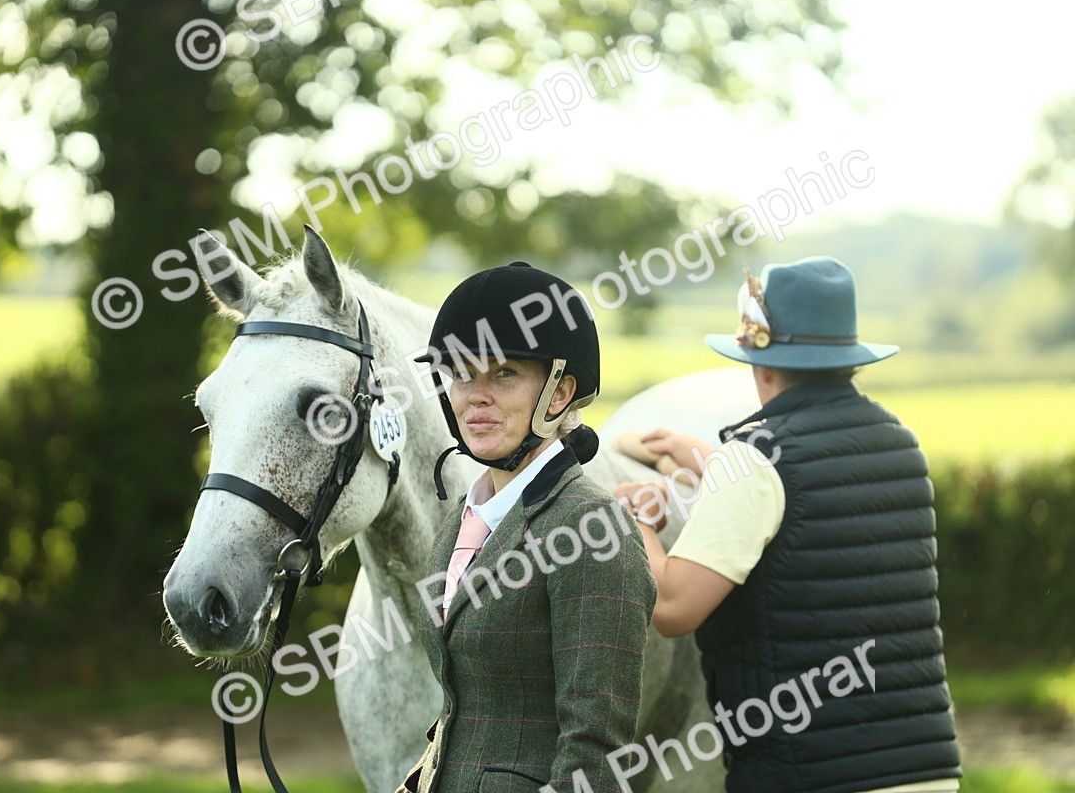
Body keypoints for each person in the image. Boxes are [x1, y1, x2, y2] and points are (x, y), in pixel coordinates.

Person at [616, 257, 962, 793]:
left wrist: (636, 519)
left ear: (762, 363)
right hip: (924, 772)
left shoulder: (753, 463)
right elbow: (816, 515)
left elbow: (671, 606)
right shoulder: (900, 444)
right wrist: (716, 464)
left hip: (805, 774)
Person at [396, 261, 656, 793]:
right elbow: (467, 713)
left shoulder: (592, 531)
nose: (476, 395)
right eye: (462, 374)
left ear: (560, 394)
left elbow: (594, 750)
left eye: (504, 373)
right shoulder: (462, 522)